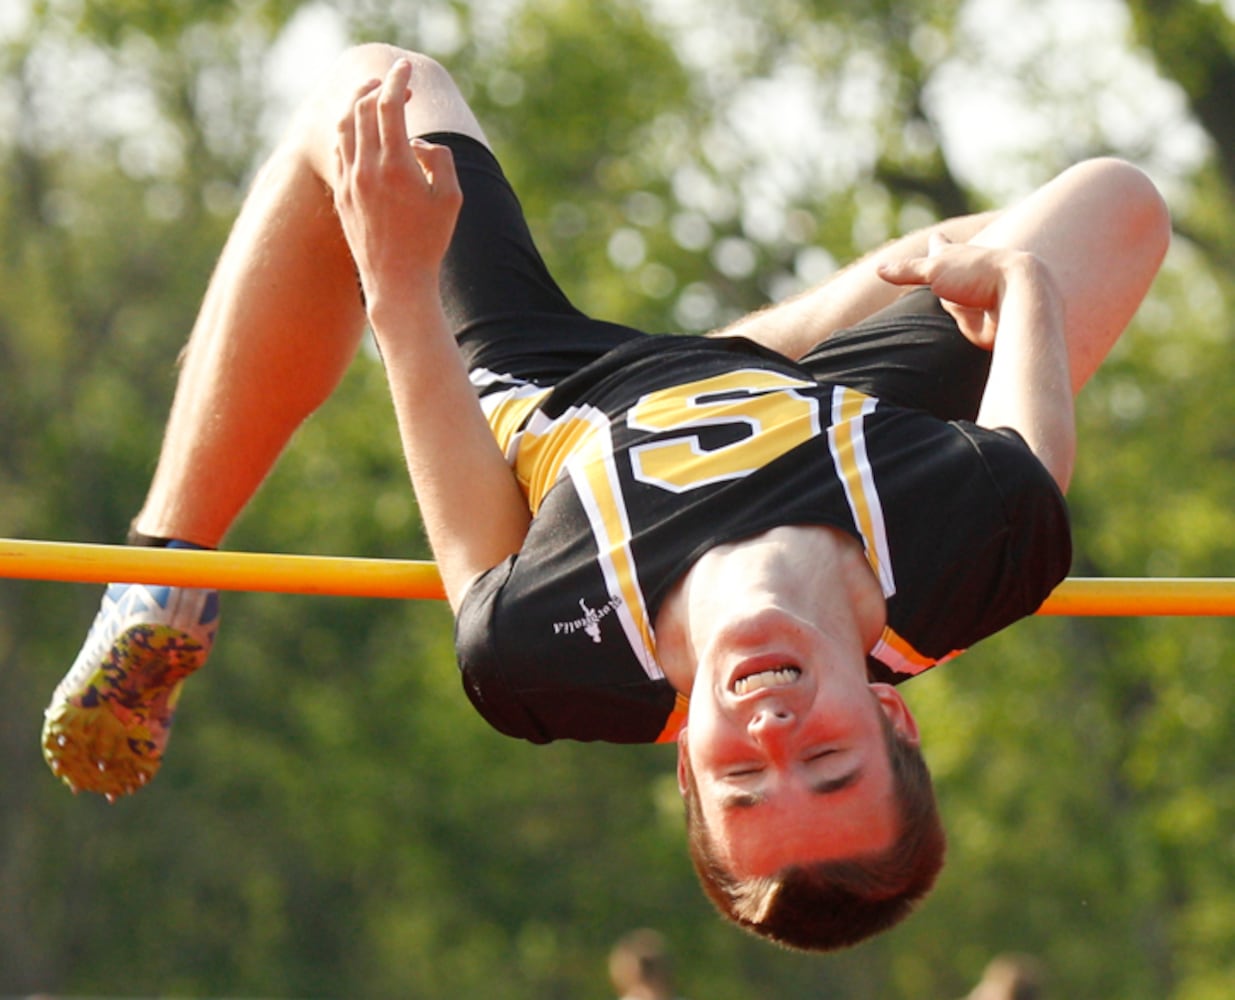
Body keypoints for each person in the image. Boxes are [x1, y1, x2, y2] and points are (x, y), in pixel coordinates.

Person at [40, 45, 1171, 951]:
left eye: (740, 777)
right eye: (825, 760)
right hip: (844, 407)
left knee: (373, 94)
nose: (774, 735)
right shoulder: (970, 545)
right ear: (890, 715)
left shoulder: (552, 652)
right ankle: (742, 351)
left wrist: (393, 280)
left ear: (684, 755)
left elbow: (468, 511)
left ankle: (160, 573)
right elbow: (1030, 426)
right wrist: (1011, 278)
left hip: (559, 391)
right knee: (1119, 204)